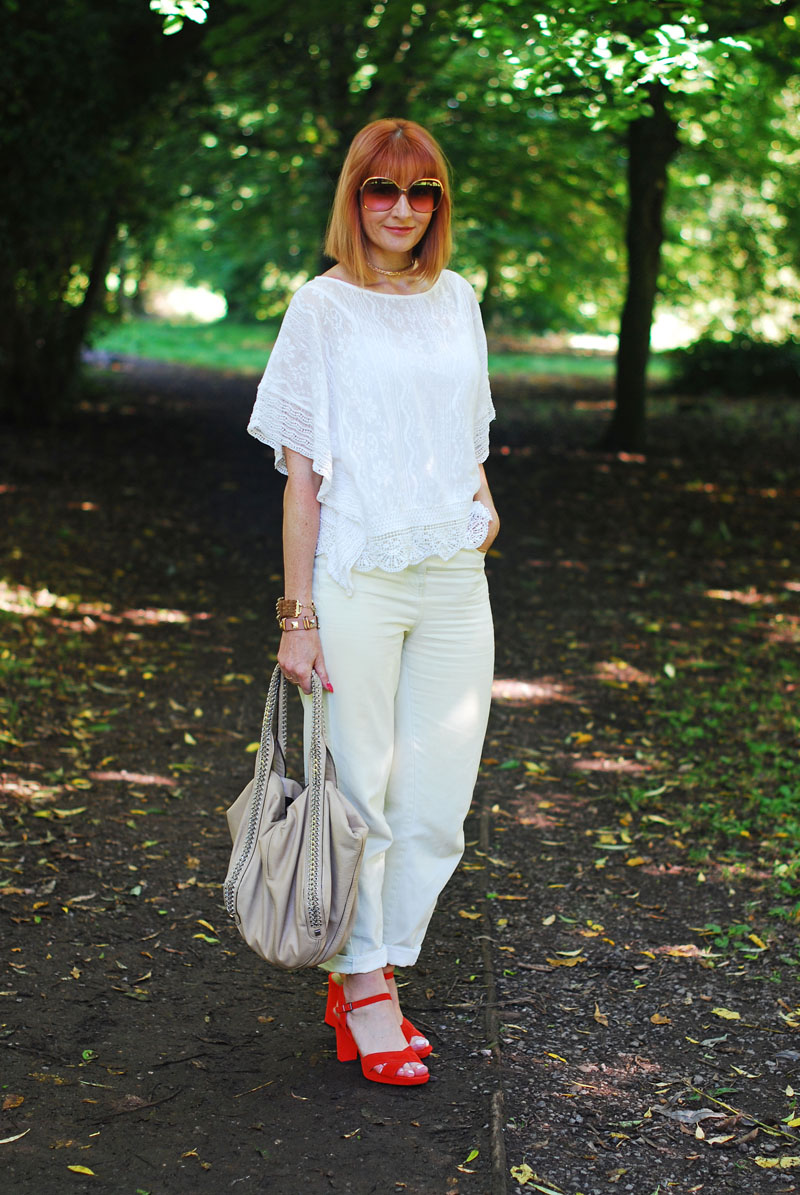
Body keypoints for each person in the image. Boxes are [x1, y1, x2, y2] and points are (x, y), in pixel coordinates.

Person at [247, 118, 499, 1087]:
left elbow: (464, 430)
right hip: (355, 573)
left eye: (422, 191)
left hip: (450, 572)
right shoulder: (322, 308)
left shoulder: (458, 298)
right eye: (381, 190)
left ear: (438, 203)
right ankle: (365, 986)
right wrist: (297, 617)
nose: (401, 209)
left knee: (438, 803)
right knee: (362, 793)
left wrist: (483, 511)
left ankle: (375, 959)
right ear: (352, 198)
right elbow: (300, 477)